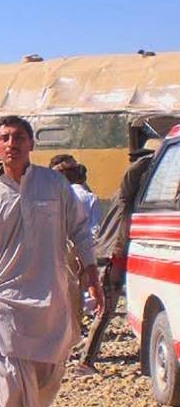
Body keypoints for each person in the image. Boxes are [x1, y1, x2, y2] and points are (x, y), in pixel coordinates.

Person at [0, 116, 101, 407]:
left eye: (19, 137)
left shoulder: (54, 184)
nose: (12, 144)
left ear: (31, 144)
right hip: (4, 295)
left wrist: (92, 272)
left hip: (51, 292)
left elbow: (80, 229)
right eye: (5, 138)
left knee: (48, 370)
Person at [76, 148, 154, 375]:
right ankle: (85, 362)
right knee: (105, 311)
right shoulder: (125, 195)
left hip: (112, 257)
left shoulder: (127, 196)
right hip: (112, 257)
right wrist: (152, 158)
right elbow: (133, 173)